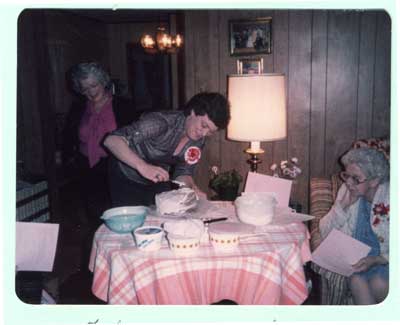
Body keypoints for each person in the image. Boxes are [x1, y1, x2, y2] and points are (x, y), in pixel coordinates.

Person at [103, 92, 231, 207]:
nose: (203, 133)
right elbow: (112, 140)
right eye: (204, 125)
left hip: (156, 181)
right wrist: (142, 166)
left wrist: (192, 189)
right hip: (126, 175)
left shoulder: (198, 141)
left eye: (210, 132)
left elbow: (183, 173)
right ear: (192, 111)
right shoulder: (161, 122)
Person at [65, 62, 136, 223]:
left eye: (93, 86)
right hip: (86, 166)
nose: (90, 92)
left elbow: (133, 138)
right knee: (93, 214)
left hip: (114, 165)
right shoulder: (78, 108)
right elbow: (69, 136)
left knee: (116, 211)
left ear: (103, 82)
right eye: (84, 88)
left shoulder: (122, 105)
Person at [319, 147, 389, 305]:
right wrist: (342, 206)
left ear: (374, 180)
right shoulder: (347, 191)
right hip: (358, 260)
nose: (349, 183)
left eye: (356, 178)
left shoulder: (391, 197)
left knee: (379, 284)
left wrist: (378, 259)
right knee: (356, 281)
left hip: (385, 259)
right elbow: (324, 232)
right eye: (346, 176)